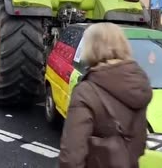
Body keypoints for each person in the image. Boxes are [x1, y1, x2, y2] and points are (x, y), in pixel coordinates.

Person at [58, 23, 153, 168]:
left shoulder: (86, 92)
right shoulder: (139, 83)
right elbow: (140, 142)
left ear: (91, 47)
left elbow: (72, 156)